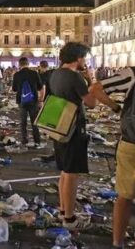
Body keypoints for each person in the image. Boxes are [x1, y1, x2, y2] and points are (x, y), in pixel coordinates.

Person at [50, 42, 117, 230]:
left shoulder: (55, 74)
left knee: (64, 171)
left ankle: (63, 210)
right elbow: (92, 103)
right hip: (74, 128)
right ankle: (70, 219)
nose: (85, 61)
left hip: (59, 127)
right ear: (78, 58)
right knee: (72, 174)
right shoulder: (75, 77)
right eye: (84, 58)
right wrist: (91, 79)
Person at [89, 38, 135, 248]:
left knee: (124, 195)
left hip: (132, 142)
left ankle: (118, 241)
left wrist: (116, 108)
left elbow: (96, 88)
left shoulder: (133, 74)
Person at [12, 57, 44, 146]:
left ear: (19, 65)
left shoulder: (17, 75)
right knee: (34, 121)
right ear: (28, 64)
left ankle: (24, 140)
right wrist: (41, 99)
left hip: (21, 101)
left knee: (23, 122)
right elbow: (40, 87)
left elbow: (14, 89)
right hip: (33, 101)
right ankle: (37, 141)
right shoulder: (34, 73)